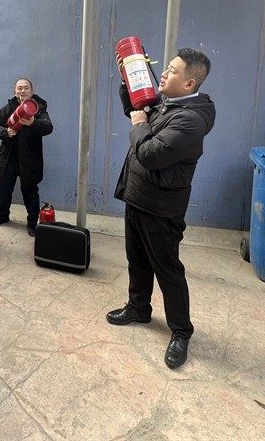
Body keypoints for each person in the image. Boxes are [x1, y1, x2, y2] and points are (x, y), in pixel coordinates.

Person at [107, 47, 215, 370]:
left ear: (189, 83)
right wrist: (128, 75)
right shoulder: (168, 104)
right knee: (137, 259)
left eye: (172, 71)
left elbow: (151, 154)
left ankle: (181, 331)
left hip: (161, 208)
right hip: (138, 196)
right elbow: (135, 108)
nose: (164, 74)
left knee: (167, 271)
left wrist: (140, 123)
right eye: (166, 67)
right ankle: (139, 307)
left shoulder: (190, 120)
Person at [0, 78, 53, 237]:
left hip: (30, 160)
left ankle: (32, 223)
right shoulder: (8, 108)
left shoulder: (39, 108)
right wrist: (6, 132)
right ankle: (2, 216)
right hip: (8, 158)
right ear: (14, 91)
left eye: (26, 88)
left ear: (32, 91)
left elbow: (48, 127)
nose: (22, 91)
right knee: (3, 191)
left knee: (30, 192)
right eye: (19, 88)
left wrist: (33, 123)